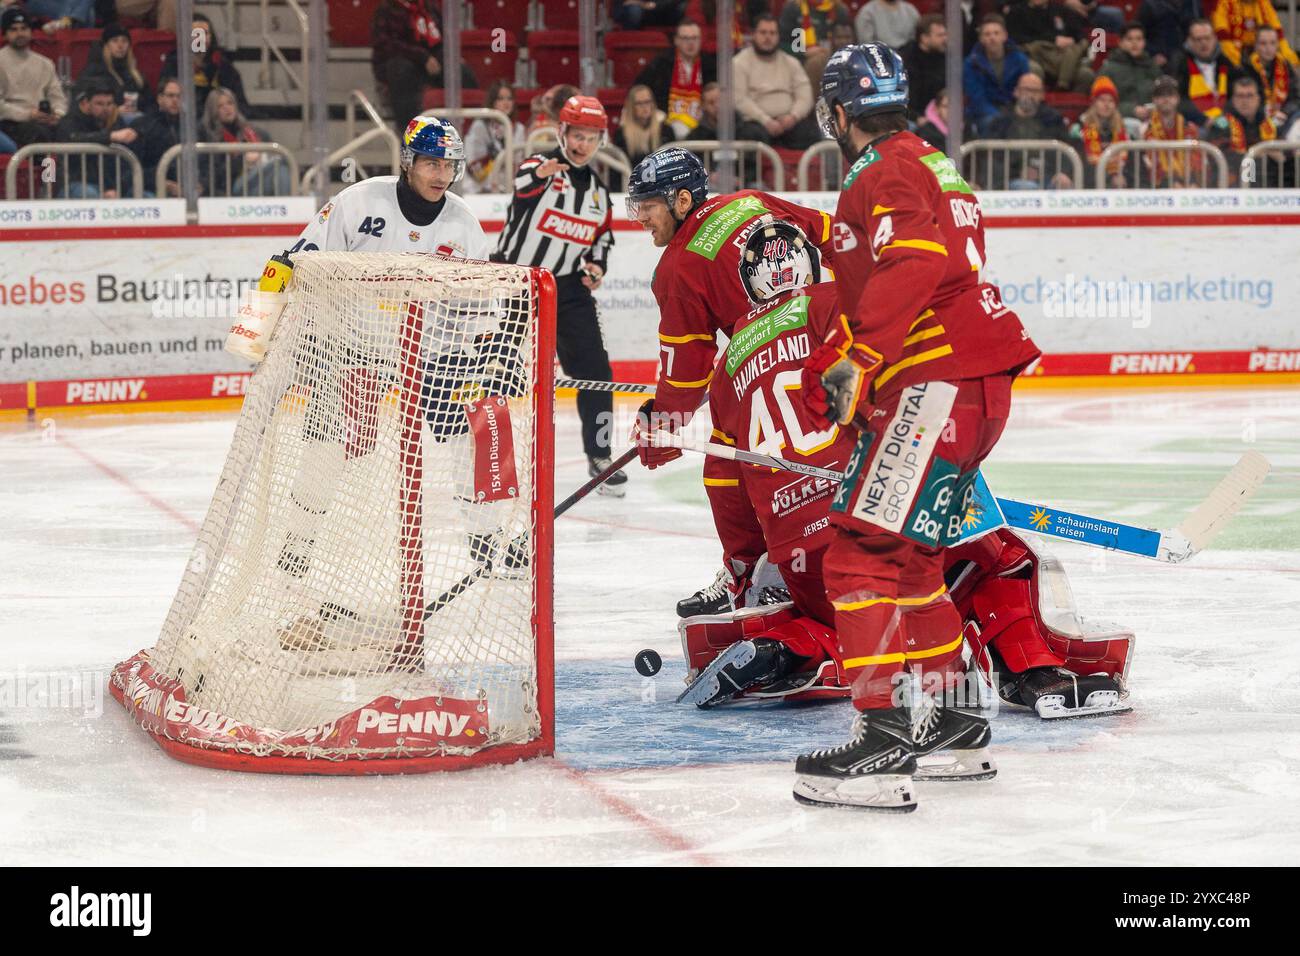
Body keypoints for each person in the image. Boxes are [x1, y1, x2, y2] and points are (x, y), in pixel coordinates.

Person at [679, 222, 1132, 720]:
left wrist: (746, 569)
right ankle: (1030, 670)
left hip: (806, 563)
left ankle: (798, 645)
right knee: (998, 561)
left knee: (844, 612)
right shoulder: (838, 302)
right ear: (812, 263)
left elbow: (724, 483)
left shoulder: (724, 370)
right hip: (877, 512)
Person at [792, 42, 1040, 811]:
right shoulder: (936, 163)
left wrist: (859, 359)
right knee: (914, 559)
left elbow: (918, 261)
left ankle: (882, 739)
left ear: (838, 113)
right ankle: (954, 723)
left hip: (934, 387)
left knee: (859, 555)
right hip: (973, 385)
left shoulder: (883, 169)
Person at [259, 115, 497, 581]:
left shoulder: (463, 224)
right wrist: (266, 310)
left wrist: (488, 352)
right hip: (354, 346)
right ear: (407, 162)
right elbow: (301, 256)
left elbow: (478, 307)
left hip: (433, 352)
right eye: (431, 163)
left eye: (449, 165)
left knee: (473, 432)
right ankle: (300, 537)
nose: (442, 175)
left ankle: (485, 538)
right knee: (328, 443)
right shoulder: (359, 200)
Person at [624, 147, 837, 615]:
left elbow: (689, 369)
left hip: (762, 363)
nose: (640, 216)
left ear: (682, 201)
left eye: (648, 204)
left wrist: (661, 421)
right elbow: (832, 233)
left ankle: (753, 573)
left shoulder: (677, 267)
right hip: (830, 339)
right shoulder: (752, 200)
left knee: (727, 460)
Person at [492, 97, 624, 494]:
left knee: (596, 372)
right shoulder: (539, 167)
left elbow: (601, 239)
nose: (582, 144)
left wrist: (596, 268)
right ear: (561, 133)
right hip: (514, 279)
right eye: (576, 135)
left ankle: (600, 456)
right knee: (494, 370)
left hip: (565, 287)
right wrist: (543, 172)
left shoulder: (599, 193)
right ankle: (481, 454)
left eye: (591, 138)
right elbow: (524, 181)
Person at [370, 0, 478, 136]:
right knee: (402, 70)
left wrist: (446, 57)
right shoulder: (387, 10)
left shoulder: (429, 8)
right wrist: (422, 57)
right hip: (402, 64)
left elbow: (443, 39)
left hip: (430, 62)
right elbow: (387, 45)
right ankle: (411, 134)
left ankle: (473, 130)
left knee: (462, 73)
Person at [732, 12, 822, 149]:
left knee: (811, 133)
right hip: (756, 123)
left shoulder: (791, 62)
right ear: (753, 35)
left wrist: (793, 116)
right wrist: (766, 121)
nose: (768, 37)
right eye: (763, 32)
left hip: (789, 122)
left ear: (778, 36)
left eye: (772, 33)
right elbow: (739, 99)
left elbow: (805, 96)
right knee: (751, 135)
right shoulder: (738, 63)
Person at [983, 71, 1074, 188]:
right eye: (1026, 90)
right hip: (1011, 180)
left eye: (1035, 91)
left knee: (1066, 186)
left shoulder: (1053, 120)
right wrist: (1018, 173)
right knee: (1027, 186)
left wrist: (1063, 174)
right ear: (1016, 92)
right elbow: (993, 160)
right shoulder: (1001, 122)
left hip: (1048, 177)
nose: (1030, 95)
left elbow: (1066, 152)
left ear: (1042, 95)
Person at [200, 86, 292, 197]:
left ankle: (286, 206)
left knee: (280, 165)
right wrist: (244, 161)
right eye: (220, 106)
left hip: (258, 180)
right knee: (278, 165)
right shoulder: (208, 136)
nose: (227, 108)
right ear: (213, 110)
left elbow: (272, 152)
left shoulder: (252, 131)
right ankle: (288, 208)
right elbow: (214, 177)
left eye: (230, 103)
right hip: (232, 187)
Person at [635, 18, 716, 139]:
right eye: (685, 38)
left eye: (694, 38)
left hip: (704, 121)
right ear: (676, 40)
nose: (690, 43)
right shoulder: (661, 63)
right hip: (668, 122)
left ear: (700, 40)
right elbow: (638, 89)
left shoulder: (710, 64)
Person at [55, 80, 138, 197]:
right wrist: (110, 136)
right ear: (86, 103)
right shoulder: (69, 122)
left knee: (143, 195)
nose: (105, 109)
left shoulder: (116, 122)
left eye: (109, 104)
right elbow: (74, 139)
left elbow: (125, 165)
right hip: (74, 184)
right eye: (99, 103)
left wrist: (116, 189)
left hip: (110, 186)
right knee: (90, 193)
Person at [161, 13, 253, 118]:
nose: (200, 39)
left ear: (211, 37)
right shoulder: (174, 64)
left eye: (205, 33)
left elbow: (242, 105)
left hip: (217, 123)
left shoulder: (223, 66)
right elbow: (165, 102)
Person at [0, 7, 67, 148]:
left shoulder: (45, 63)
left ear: (31, 32)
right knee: (37, 133)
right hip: (11, 123)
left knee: (70, 130)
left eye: (24, 28)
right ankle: (46, 170)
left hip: (43, 121)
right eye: (14, 29)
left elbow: (57, 97)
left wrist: (57, 115)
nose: (20, 33)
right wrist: (28, 114)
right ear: (5, 34)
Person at [1005, 0, 1095, 94]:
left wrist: (1071, 40)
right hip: (1035, 57)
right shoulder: (1016, 12)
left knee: (1086, 74)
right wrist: (1053, 39)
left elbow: (1080, 35)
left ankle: (1070, 105)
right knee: (1034, 70)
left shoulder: (1061, 10)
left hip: (1062, 58)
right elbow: (1015, 39)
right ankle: (1040, 103)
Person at [1203, 74, 1280, 184]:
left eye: (1250, 96)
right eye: (1240, 96)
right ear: (1233, 99)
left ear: (1258, 99)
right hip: (1231, 186)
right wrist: (1257, 155)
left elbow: (1281, 155)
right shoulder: (1221, 124)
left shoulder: (1269, 124)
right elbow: (1221, 158)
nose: (1245, 101)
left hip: (1269, 184)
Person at [963, 13, 1032, 133]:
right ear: (981, 39)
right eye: (987, 34)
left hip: (1013, 110)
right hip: (983, 114)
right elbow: (977, 98)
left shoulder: (1020, 60)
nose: (992, 37)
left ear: (1004, 36)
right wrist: (1000, 117)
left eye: (996, 33)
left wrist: (1016, 113)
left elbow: (1025, 90)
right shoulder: (971, 64)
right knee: (993, 124)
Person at [462, 80, 527, 195]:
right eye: (500, 99)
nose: (506, 103)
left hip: (510, 188)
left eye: (509, 98)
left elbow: (520, 163)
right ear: (492, 102)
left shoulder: (519, 129)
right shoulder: (480, 126)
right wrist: (492, 157)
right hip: (479, 189)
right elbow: (473, 168)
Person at [1140, 75, 1202, 186]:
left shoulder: (1189, 128)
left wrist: (1193, 181)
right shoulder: (1145, 129)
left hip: (1188, 184)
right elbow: (1151, 162)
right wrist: (1171, 182)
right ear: (1154, 100)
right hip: (1159, 187)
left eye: (1170, 94)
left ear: (1177, 98)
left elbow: (1196, 159)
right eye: (1160, 95)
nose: (1166, 99)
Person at [1171, 17, 1236, 123]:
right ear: (1189, 41)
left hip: (1226, 121)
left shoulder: (1227, 64)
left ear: (1215, 39)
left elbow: (1238, 98)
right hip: (1193, 124)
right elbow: (1178, 101)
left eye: (1207, 38)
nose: (1204, 43)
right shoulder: (1179, 66)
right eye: (1198, 39)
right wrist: (1203, 120)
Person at [77, 24, 146, 122]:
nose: (120, 45)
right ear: (106, 45)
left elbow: (150, 103)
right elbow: (85, 108)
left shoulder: (136, 75)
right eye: (115, 41)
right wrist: (115, 112)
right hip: (105, 124)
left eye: (124, 41)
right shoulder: (94, 71)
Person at [1070, 75, 1130, 187]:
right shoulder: (1079, 129)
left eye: (1111, 101)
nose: (1106, 105)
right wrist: (1108, 177)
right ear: (1094, 102)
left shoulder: (1124, 129)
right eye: (1102, 100)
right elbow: (1080, 162)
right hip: (1089, 184)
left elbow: (1131, 162)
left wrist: (1121, 176)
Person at [780, 0, 854, 89]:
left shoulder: (838, 9)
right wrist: (803, 52)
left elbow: (849, 40)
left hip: (835, 58)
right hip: (800, 60)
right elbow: (781, 45)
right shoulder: (794, 8)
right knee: (817, 61)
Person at [129, 75, 181, 196]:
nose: (175, 100)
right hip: (151, 187)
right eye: (170, 95)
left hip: (184, 187)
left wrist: (200, 184)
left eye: (179, 96)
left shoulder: (190, 127)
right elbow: (132, 169)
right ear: (159, 98)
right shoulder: (143, 126)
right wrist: (162, 182)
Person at [1100, 21, 1163, 119]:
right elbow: (1100, 103)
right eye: (1129, 39)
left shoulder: (1152, 67)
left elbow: (1164, 96)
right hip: (1119, 121)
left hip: (1152, 120)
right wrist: (1131, 110)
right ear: (1120, 42)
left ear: (1144, 42)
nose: (1135, 43)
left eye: (1139, 39)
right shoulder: (1108, 69)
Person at [1242, 26, 1300, 128]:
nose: (1268, 48)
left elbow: (1295, 97)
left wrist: (1284, 113)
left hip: (1285, 117)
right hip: (1256, 119)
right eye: (1263, 43)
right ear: (1255, 46)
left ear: (1278, 45)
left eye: (1272, 43)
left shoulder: (1286, 66)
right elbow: (1244, 101)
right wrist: (1267, 112)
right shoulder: (1245, 68)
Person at [1211, 0, 1298, 67]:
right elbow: (1223, 40)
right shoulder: (1225, 3)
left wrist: (1288, 57)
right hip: (1236, 56)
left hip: (1261, 53)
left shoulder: (1264, 3)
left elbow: (1279, 35)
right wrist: (1240, 62)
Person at [612, 83, 675, 168]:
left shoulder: (665, 131)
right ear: (631, 107)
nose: (644, 107)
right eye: (639, 103)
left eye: (647, 102)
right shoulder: (621, 135)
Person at [900, 13, 948, 119]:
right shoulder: (906, 60)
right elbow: (903, 100)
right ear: (924, 38)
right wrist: (917, 118)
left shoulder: (945, 56)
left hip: (939, 115)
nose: (945, 39)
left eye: (945, 34)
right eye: (940, 35)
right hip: (911, 117)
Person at [1138, 0, 1201, 68]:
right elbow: (1138, 35)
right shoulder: (1150, 4)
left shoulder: (1193, 3)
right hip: (1163, 61)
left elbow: (1200, 26)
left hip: (1189, 57)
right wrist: (1153, 54)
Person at [855, 0, 920, 48]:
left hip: (909, 57)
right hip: (881, 58)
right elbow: (866, 44)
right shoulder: (867, 12)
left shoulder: (910, 10)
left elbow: (918, 38)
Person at [914, 88, 950, 152]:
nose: (951, 110)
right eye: (945, 106)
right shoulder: (926, 133)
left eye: (954, 106)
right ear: (937, 108)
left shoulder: (966, 129)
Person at [613, 0, 688, 30]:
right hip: (637, 11)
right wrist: (643, 4)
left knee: (682, 7)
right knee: (634, 11)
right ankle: (630, 39)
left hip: (662, 8)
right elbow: (627, 2)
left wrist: (655, 5)